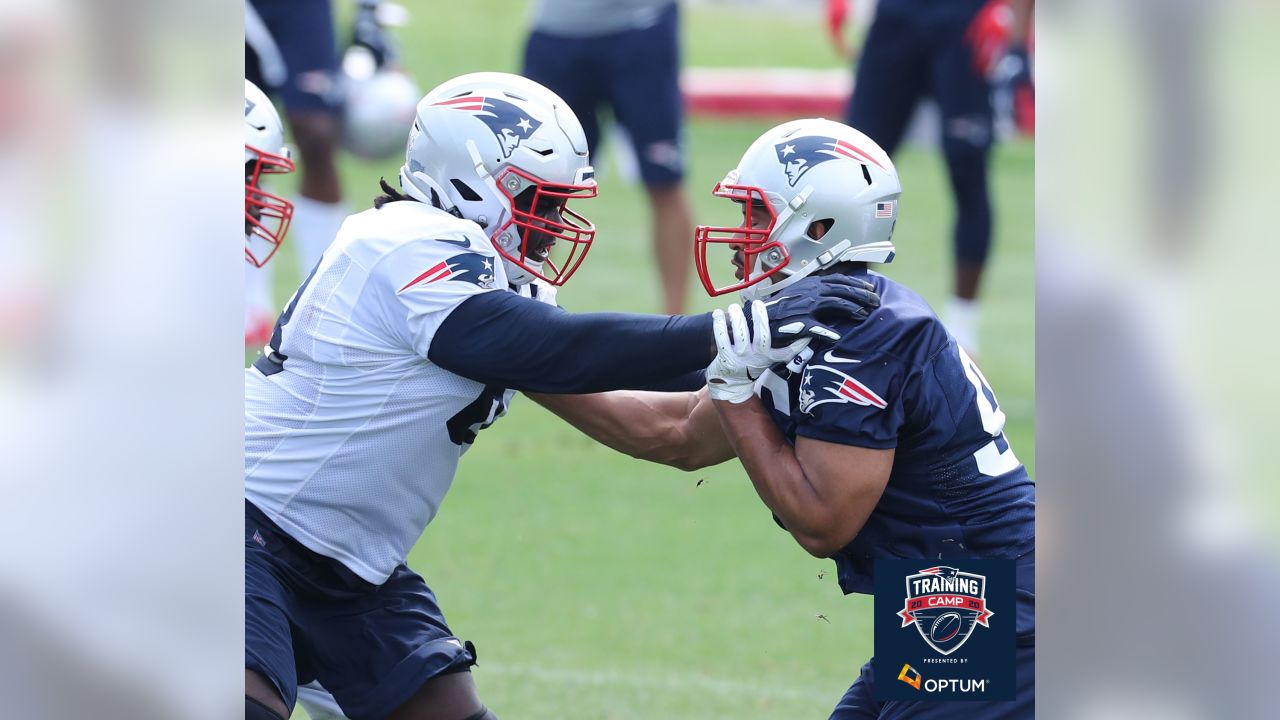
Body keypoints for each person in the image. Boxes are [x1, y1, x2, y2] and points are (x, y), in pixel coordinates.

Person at [244, 73, 875, 720]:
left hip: (354, 573)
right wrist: (735, 327)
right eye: (539, 201)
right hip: (247, 530)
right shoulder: (399, 242)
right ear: (469, 179)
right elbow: (562, 348)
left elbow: (647, 415)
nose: (551, 224)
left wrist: (795, 374)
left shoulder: (491, 281)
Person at [536, 118, 1035, 718]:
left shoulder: (864, 335)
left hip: (995, 608)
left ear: (819, 227)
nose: (742, 235)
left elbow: (823, 521)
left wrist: (737, 392)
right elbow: (675, 434)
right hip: (955, 600)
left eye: (755, 215)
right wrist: (526, 362)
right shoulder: (813, 318)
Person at [826, 0, 1033, 354]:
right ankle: (844, 315)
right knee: (853, 170)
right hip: (896, 15)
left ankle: (964, 330)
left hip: (964, 19)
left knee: (967, 170)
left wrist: (1016, 38)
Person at [522, 0, 694, 314]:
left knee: (664, 178)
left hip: (641, 25)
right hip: (555, 30)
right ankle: (524, 312)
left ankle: (675, 326)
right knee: (533, 185)